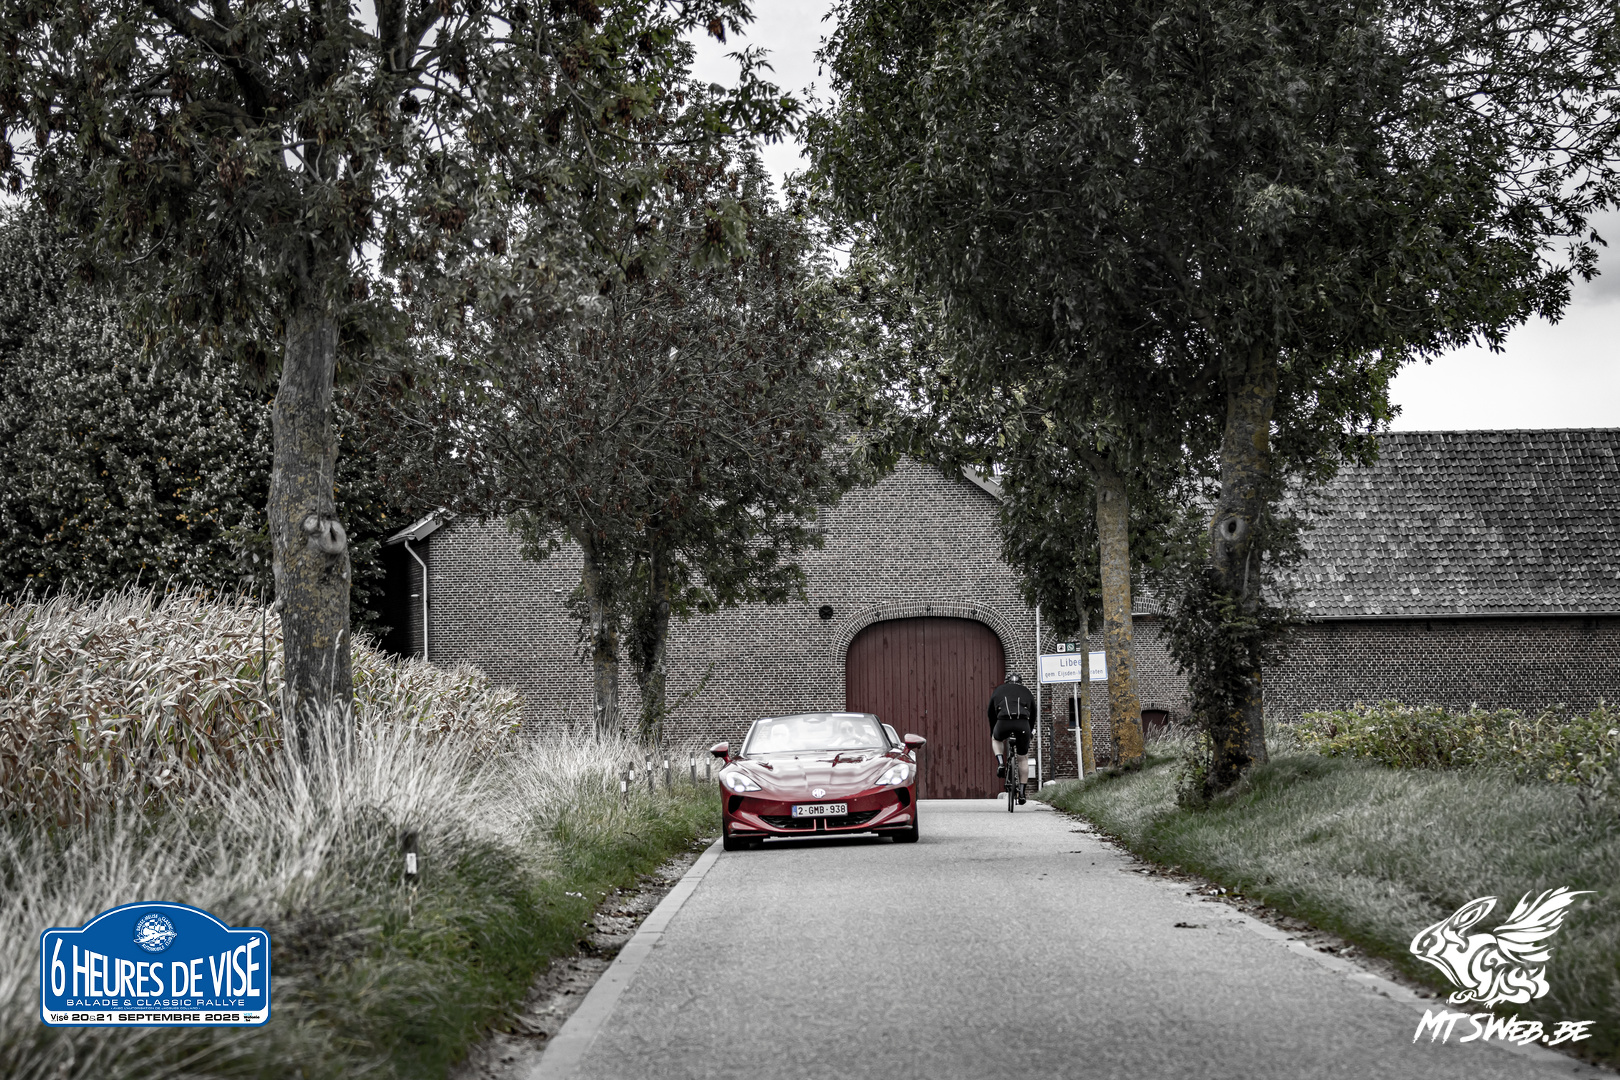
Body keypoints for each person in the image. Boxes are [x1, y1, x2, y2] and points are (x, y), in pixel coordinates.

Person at [987, 672, 1035, 804]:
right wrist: (1030, 731)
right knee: (1023, 758)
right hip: (1022, 724)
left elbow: (991, 713)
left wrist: (993, 730)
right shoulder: (1027, 691)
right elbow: (1033, 714)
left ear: (1006, 681)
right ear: (1021, 682)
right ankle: (1022, 793)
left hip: (1003, 722)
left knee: (996, 739)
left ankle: (1001, 763)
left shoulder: (999, 690)